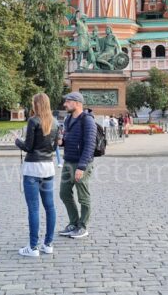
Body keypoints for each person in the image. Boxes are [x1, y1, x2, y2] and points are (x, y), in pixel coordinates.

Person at [15, 93, 58, 257]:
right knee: (50, 207)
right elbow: (54, 148)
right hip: (48, 167)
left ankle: (33, 247)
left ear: (36, 104)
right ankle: (48, 244)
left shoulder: (33, 121)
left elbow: (29, 147)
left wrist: (17, 141)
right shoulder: (55, 122)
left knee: (34, 208)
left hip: (33, 168)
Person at [58, 92, 96, 240]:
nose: (65, 104)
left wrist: (81, 167)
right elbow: (69, 138)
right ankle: (73, 223)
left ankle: (83, 226)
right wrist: (62, 142)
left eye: (68, 101)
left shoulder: (87, 120)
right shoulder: (68, 119)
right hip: (68, 161)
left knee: (83, 196)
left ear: (77, 103)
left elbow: (90, 145)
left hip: (81, 163)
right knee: (64, 193)